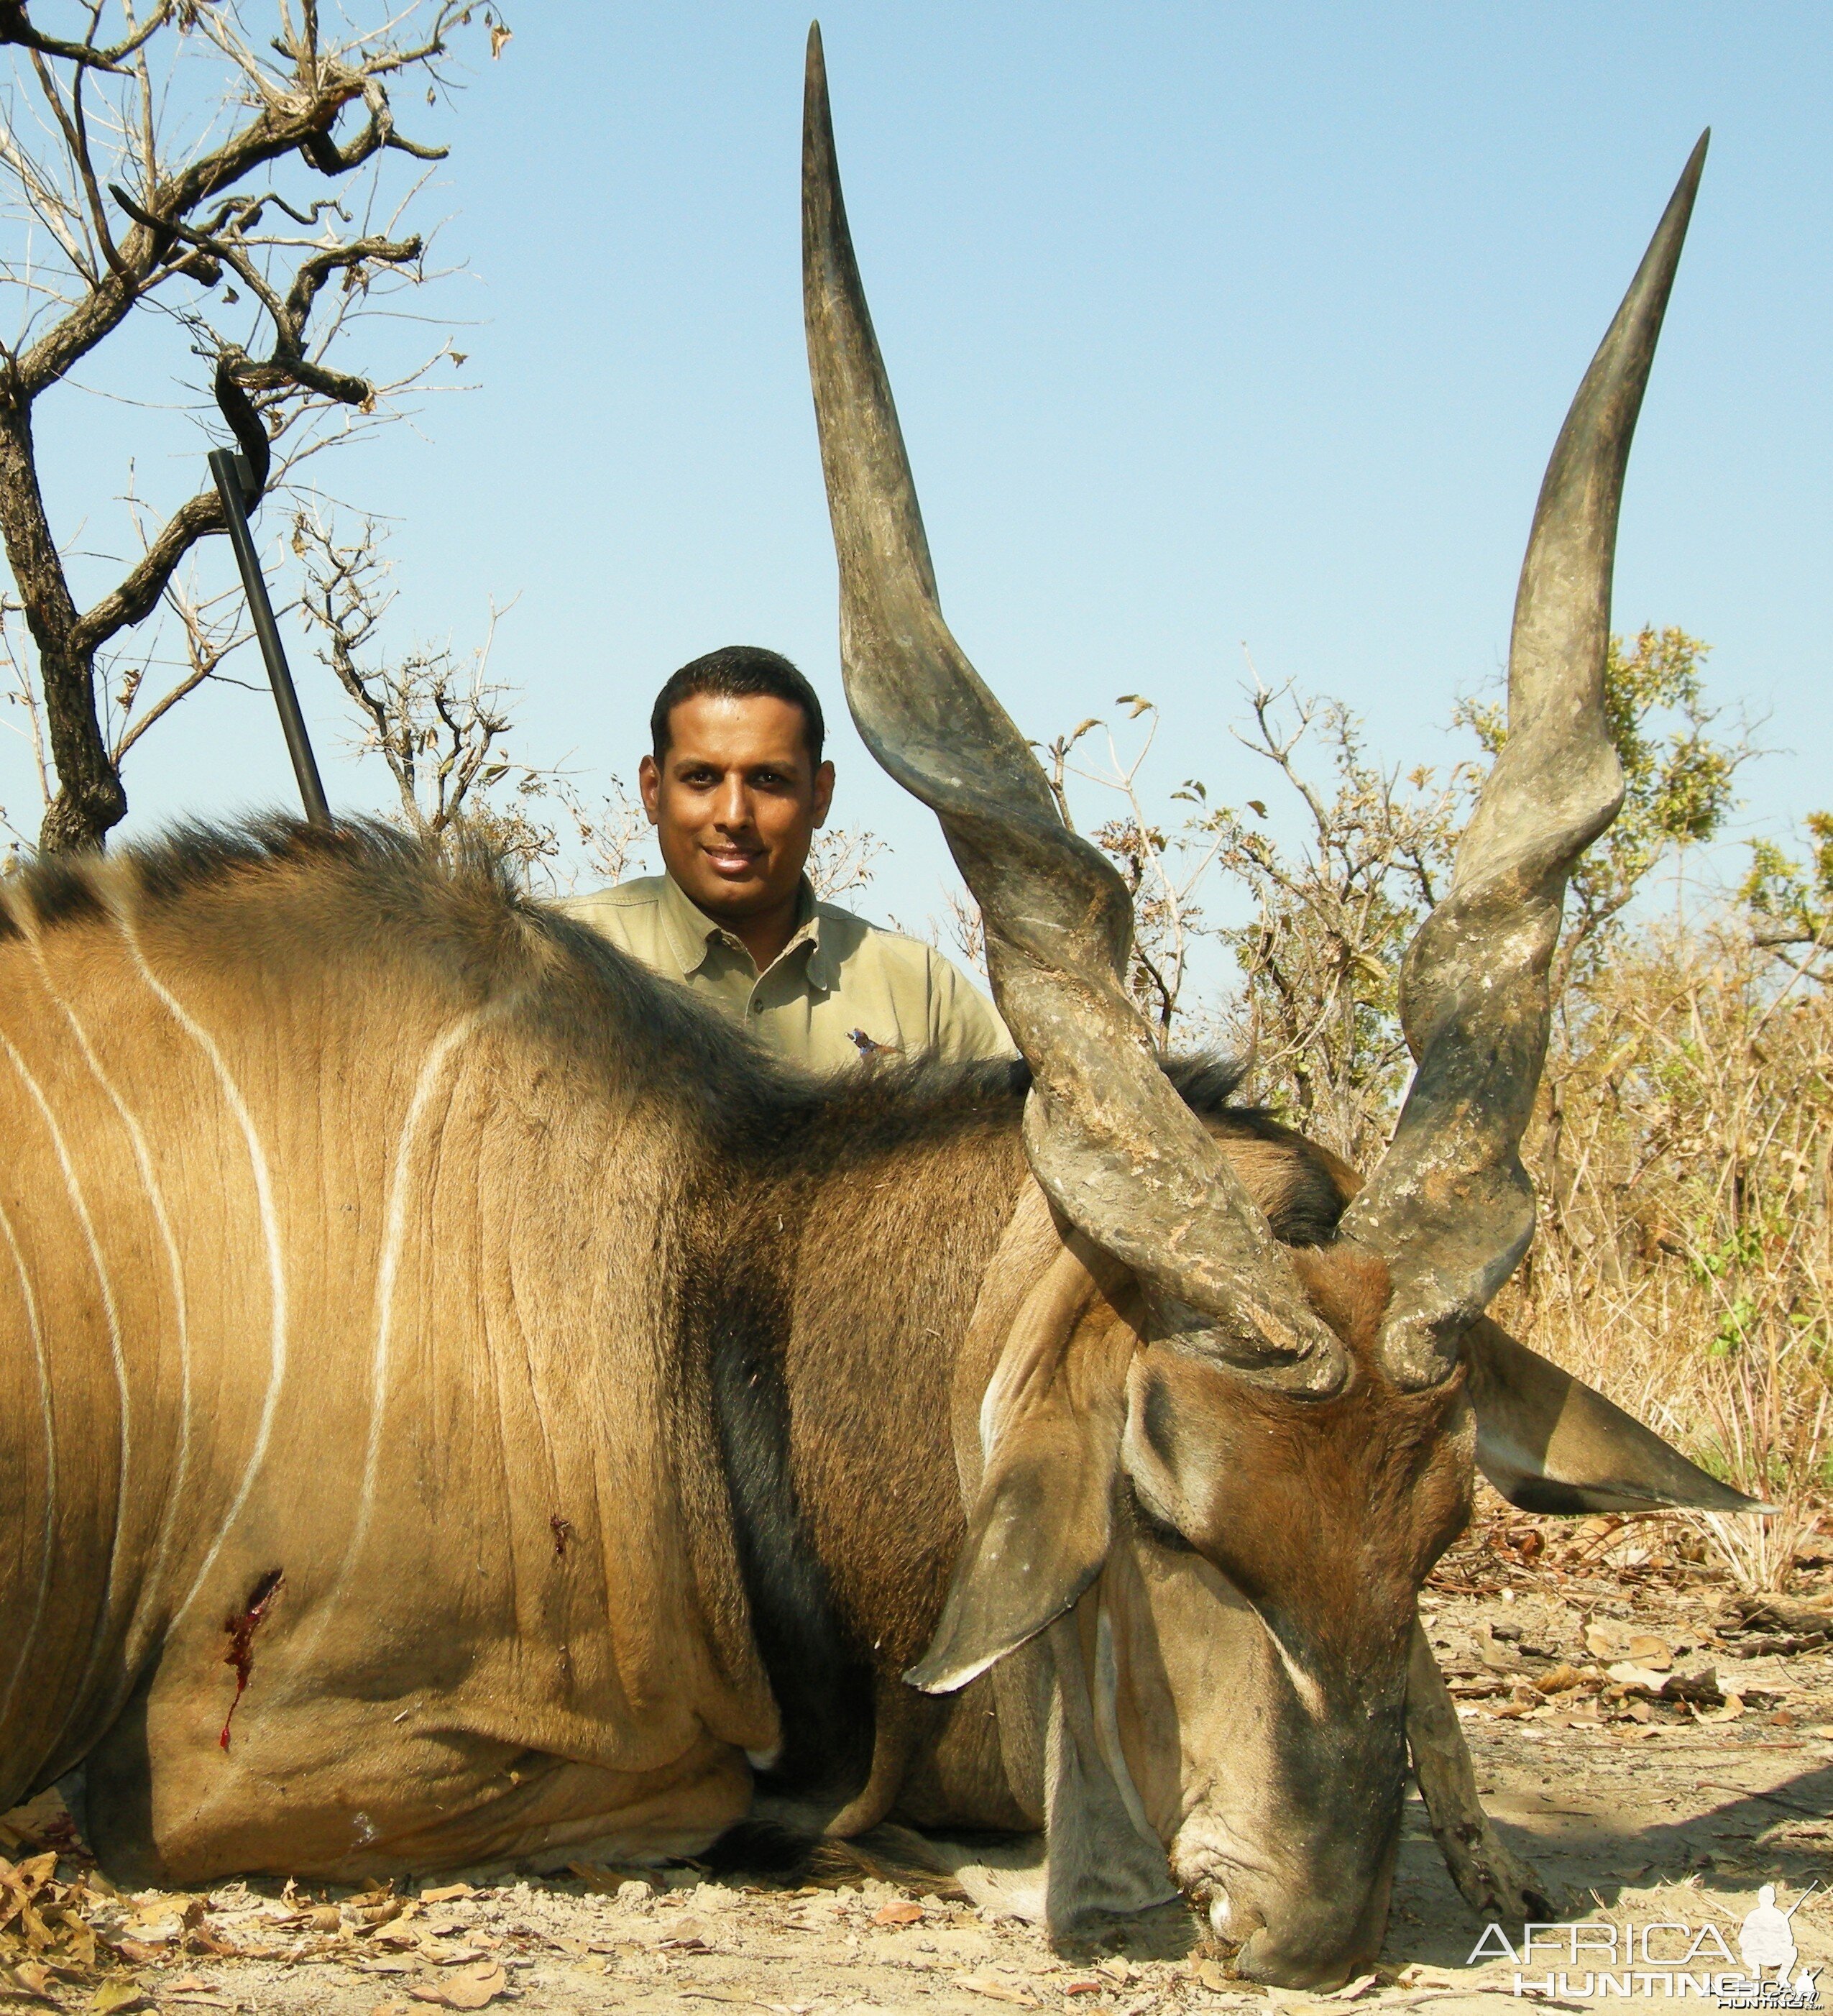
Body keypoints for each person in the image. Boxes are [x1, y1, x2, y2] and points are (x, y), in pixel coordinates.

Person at [559, 646, 1011, 1069]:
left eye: (768, 779)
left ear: (819, 795)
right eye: (701, 778)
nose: (734, 815)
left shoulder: (922, 991)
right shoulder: (556, 961)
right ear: (654, 791)